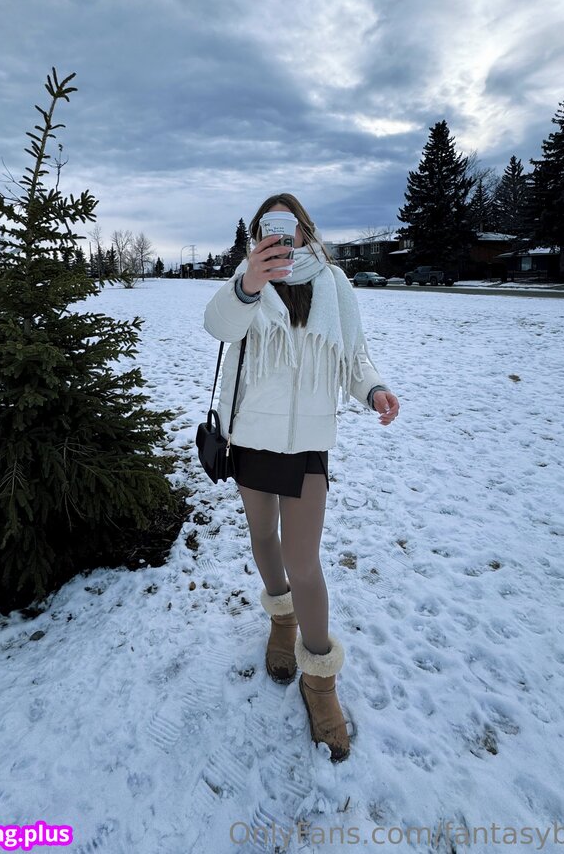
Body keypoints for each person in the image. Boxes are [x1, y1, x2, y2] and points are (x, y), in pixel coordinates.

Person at [202, 193, 399, 762]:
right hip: (249, 434)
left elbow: (354, 356)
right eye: (270, 228)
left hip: (308, 442)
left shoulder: (334, 283)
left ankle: (321, 681)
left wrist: (373, 389)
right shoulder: (248, 278)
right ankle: (281, 623)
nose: (281, 237)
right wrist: (249, 283)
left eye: (290, 227)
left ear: (305, 230)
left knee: (303, 559)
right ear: (259, 233)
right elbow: (217, 326)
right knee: (263, 535)